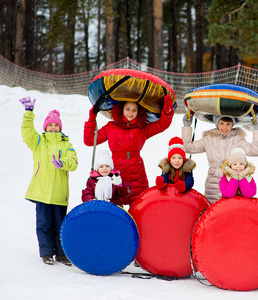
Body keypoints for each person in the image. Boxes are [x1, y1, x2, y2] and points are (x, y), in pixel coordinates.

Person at [19, 97, 78, 266]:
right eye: (50, 125)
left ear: (60, 127)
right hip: (42, 193)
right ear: (45, 127)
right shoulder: (39, 142)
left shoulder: (67, 144)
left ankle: (61, 253)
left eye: (56, 125)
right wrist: (28, 114)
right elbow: (27, 132)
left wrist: (63, 163)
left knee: (61, 225)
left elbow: (73, 162)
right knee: (44, 223)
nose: (53, 128)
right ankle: (46, 252)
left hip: (59, 193)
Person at [84, 96, 174, 205]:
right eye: (127, 109)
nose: (130, 113)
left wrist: (167, 111)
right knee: (115, 211)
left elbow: (162, 125)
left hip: (136, 172)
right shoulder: (111, 127)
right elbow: (89, 140)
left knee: (139, 208)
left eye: (134, 110)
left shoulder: (142, 128)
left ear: (139, 112)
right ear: (121, 109)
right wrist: (91, 119)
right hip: (116, 172)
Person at [182, 115, 258, 203]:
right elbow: (188, 148)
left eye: (228, 124)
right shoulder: (209, 138)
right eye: (222, 123)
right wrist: (187, 126)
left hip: (232, 184)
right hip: (212, 184)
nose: (225, 127)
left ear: (232, 125)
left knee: (229, 213)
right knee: (211, 211)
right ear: (217, 123)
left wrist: (257, 129)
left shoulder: (237, 139)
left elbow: (255, 151)